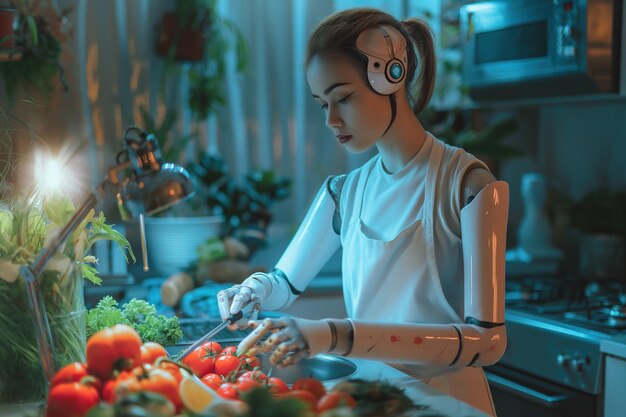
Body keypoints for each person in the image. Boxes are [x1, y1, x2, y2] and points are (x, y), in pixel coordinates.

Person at [216, 7, 508, 416]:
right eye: (323, 104)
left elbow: (488, 342)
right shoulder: (344, 191)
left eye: (344, 97)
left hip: (449, 402)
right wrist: (253, 289)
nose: (332, 120)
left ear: (392, 75)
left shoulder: (467, 184)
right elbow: (284, 282)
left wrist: (334, 334)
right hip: (369, 400)